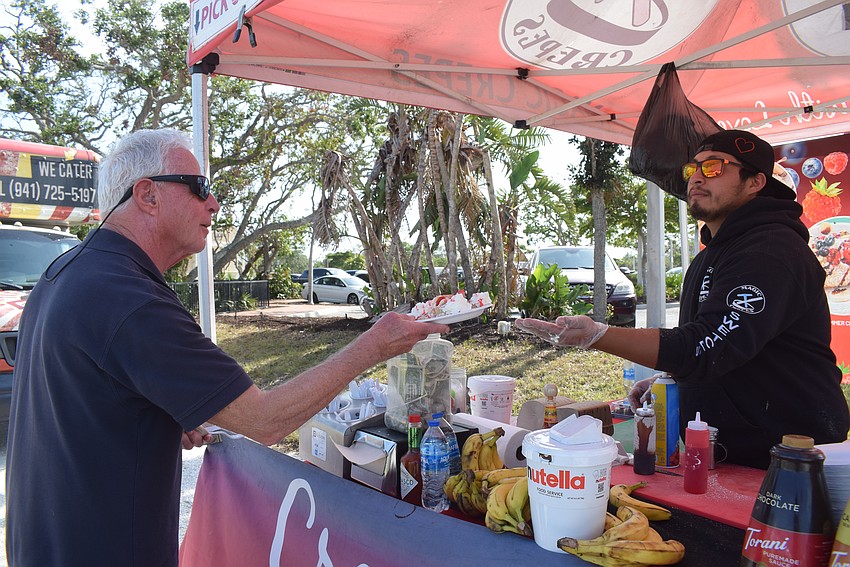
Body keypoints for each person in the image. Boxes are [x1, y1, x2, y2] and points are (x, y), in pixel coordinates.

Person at [5, 128, 449, 566]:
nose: (213, 203)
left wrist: (156, 418)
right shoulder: (131, 299)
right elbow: (264, 420)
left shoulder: (66, 271)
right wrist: (373, 346)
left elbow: (81, 395)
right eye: (198, 187)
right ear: (147, 195)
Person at [516, 129, 849, 469]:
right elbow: (727, 347)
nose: (696, 178)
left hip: (789, 457)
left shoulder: (771, 250)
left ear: (755, 182)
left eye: (714, 167)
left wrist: (595, 335)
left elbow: (704, 346)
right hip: (732, 453)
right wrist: (674, 378)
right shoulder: (712, 255)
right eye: (692, 169)